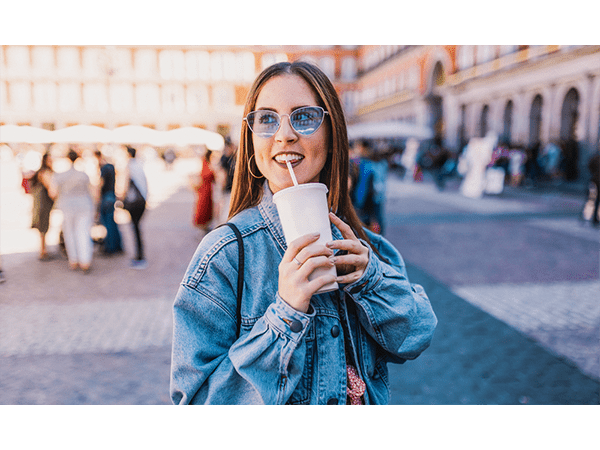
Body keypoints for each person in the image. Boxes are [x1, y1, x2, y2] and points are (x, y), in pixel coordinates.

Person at [170, 61, 437, 405]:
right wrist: (285, 315)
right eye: (266, 119)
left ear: (332, 135)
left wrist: (369, 281)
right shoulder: (224, 254)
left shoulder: (364, 246)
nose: (284, 134)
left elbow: (416, 336)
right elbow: (195, 402)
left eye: (304, 117)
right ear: (251, 144)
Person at [51, 149, 94, 273]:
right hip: (84, 205)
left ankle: (74, 260)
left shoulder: (60, 175)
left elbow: (53, 192)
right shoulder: (83, 174)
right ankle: (85, 260)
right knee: (83, 232)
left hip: (67, 206)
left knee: (70, 233)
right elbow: (92, 191)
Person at [122, 146, 149, 269]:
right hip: (142, 201)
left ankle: (139, 256)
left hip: (134, 202)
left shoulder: (129, 166)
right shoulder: (139, 165)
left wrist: (121, 199)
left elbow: (125, 184)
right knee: (137, 228)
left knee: (135, 228)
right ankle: (140, 255)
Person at [94, 149, 123, 255]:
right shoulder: (111, 167)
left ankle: (110, 247)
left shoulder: (104, 168)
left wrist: (97, 199)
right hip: (112, 195)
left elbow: (100, 185)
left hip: (106, 197)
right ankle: (118, 245)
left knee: (108, 223)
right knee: (112, 223)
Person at [29, 151, 55, 260]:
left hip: (41, 203)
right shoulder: (45, 172)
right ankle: (43, 251)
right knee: (43, 227)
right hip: (43, 204)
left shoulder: (41, 172)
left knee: (42, 228)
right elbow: (51, 189)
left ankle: (43, 250)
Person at [191, 149, 215, 233]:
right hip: (204, 189)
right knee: (203, 207)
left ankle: (205, 225)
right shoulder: (205, 163)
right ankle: (203, 225)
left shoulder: (208, 164)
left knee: (206, 207)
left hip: (207, 189)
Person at [217, 137, 237, 225]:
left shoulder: (233, 157)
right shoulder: (224, 158)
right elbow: (222, 174)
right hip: (228, 188)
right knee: (225, 210)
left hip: (233, 188)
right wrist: (222, 187)